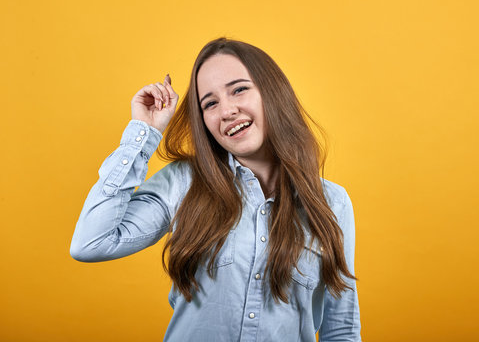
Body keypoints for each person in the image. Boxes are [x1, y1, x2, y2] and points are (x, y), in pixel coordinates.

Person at [70, 37, 361, 341]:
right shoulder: (184, 182)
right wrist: (144, 133)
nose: (227, 111)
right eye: (210, 103)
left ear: (272, 92)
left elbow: (340, 329)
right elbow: (91, 243)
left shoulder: (332, 203)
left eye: (239, 89)